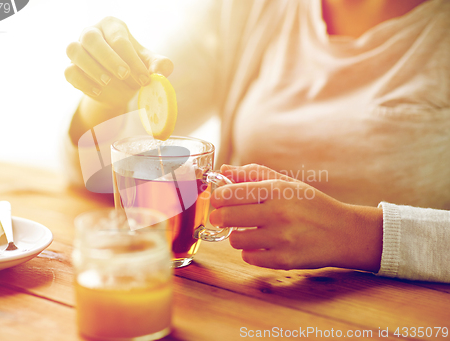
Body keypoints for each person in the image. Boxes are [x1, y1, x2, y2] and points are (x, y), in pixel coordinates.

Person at [63, 0, 450, 282]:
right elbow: (89, 169)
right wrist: (106, 99)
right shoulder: (247, 9)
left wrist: (359, 234)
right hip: (243, 296)